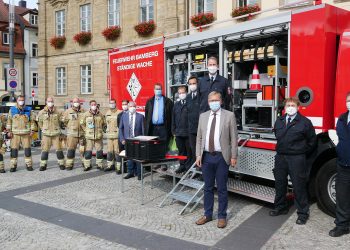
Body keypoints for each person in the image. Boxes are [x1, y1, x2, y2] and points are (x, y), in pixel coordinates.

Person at [269, 97, 316, 225]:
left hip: (296, 158)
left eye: (293, 105)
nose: (290, 107)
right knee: (280, 184)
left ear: (298, 107)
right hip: (281, 157)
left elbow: (312, 141)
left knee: (298, 185)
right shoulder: (279, 121)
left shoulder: (305, 122)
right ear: (284, 108)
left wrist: (301, 152)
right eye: (288, 105)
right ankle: (280, 207)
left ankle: (302, 213)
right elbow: (278, 137)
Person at [195, 91, 238, 229]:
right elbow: (199, 138)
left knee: (222, 188)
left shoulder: (229, 116)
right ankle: (208, 214)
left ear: (221, 101)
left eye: (216, 100)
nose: (214, 102)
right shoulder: (203, 116)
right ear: (208, 102)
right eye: (211, 100)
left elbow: (234, 139)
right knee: (207, 187)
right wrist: (198, 155)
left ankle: (222, 216)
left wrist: (233, 156)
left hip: (221, 157)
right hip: (206, 156)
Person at [329, 92, 350, 237]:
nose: (349, 103)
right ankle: (342, 225)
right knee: (342, 197)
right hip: (343, 165)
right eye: (348, 100)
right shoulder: (342, 118)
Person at [6, 95, 37, 172]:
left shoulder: (29, 110)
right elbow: (9, 121)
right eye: (20, 100)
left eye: (22, 100)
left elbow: (32, 121)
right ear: (17, 100)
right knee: (14, 151)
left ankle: (29, 165)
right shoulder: (12, 110)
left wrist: (32, 130)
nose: (21, 101)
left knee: (27, 150)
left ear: (24, 101)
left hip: (26, 134)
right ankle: (13, 166)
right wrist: (9, 131)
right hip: (15, 134)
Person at [37, 97, 65, 171]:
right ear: (46, 102)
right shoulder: (42, 112)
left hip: (56, 134)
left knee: (59, 150)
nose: (50, 102)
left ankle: (61, 164)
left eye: (51, 101)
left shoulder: (58, 112)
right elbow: (39, 122)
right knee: (44, 150)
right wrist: (43, 129)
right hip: (46, 135)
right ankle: (43, 165)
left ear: (53, 102)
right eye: (49, 101)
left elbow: (61, 122)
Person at [119, 101, 144, 180]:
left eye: (133, 106)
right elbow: (121, 128)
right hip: (128, 140)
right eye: (130, 106)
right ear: (128, 107)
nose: (132, 108)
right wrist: (122, 138)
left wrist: (143, 140)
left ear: (136, 107)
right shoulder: (124, 116)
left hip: (138, 140)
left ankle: (139, 173)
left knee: (138, 157)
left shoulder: (140, 116)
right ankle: (130, 172)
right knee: (129, 157)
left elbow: (143, 129)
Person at [80, 100, 106, 171]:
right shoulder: (86, 114)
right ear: (90, 105)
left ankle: (99, 165)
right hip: (89, 137)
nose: (93, 106)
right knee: (88, 152)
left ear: (96, 105)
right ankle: (87, 165)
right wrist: (86, 130)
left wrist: (102, 130)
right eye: (92, 104)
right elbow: (82, 123)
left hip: (98, 137)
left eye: (94, 104)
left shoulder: (100, 114)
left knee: (99, 152)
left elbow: (104, 123)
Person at [62, 97, 85, 170]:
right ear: (72, 103)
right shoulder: (68, 111)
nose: (76, 103)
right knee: (70, 150)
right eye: (75, 102)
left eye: (77, 102)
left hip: (82, 134)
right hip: (72, 135)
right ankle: (69, 164)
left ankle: (85, 163)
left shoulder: (84, 111)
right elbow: (64, 122)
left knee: (83, 150)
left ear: (80, 102)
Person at [172, 86, 191, 174]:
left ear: (187, 93)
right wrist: (173, 131)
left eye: (183, 93)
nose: (181, 95)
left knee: (188, 151)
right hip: (178, 133)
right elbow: (173, 118)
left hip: (188, 133)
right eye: (179, 93)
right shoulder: (176, 105)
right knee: (181, 151)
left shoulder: (190, 103)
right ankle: (182, 165)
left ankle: (188, 167)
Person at [186, 76, 200, 167]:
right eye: (190, 84)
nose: (192, 85)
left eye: (194, 83)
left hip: (200, 128)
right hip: (191, 128)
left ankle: (201, 168)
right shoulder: (188, 97)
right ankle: (195, 167)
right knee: (193, 148)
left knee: (200, 149)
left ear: (197, 84)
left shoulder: (201, 96)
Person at [105, 99, 121, 172]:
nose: (111, 104)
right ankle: (110, 165)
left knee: (117, 151)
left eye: (113, 103)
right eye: (110, 103)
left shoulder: (119, 112)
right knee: (109, 151)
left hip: (117, 136)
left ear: (115, 103)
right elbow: (106, 124)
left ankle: (118, 167)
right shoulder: (107, 113)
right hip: (109, 136)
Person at [115, 99, 129, 174]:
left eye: (125, 104)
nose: (124, 106)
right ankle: (122, 168)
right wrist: (121, 137)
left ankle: (130, 169)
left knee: (129, 153)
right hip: (121, 137)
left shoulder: (131, 114)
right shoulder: (119, 115)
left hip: (129, 137)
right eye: (123, 104)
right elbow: (119, 126)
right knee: (121, 153)